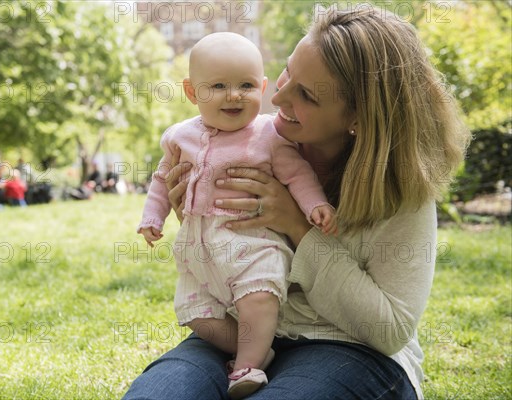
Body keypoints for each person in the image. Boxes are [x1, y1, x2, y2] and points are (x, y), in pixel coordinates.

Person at [124, 5, 470, 400]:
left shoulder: (400, 189)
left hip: (349, 348)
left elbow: (390, 331)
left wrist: (299, 229)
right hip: (241, 331)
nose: (279, 94)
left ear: (357, 117)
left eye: (306, 94)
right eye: (289, 72)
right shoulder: (247, 143)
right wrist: (193, 213)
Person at [137, 32, 335, 399]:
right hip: (200, 250)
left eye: (246, 85)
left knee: (258, 298)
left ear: (261, 87)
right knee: (197, 314)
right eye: (218, 86)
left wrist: (314, 205)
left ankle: (248, 365)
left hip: (252, 243)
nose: (234, 95)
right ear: (192, 92)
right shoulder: (180, 137)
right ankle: (255, 348)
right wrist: (153, 217)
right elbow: (163, 179)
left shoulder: (268, 135)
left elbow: (297, 175)